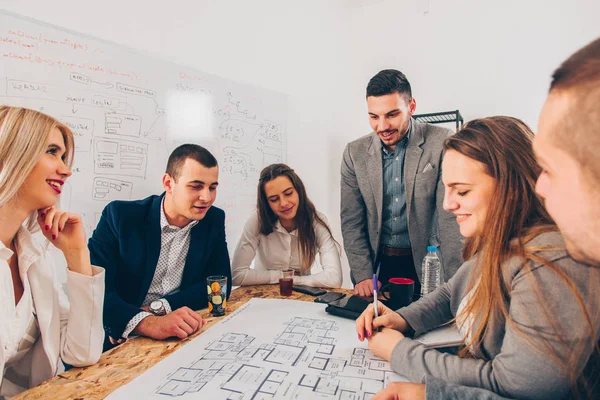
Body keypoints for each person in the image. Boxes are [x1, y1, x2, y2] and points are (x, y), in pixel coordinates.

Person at [356, 116, 600, 399]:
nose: (448, 204)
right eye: (446, 189)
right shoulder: (502, 239)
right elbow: (453, 292)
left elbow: (518, 385)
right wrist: (403, 319)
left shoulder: (552, 262)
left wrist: (401, 353)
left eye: (462, 191)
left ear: (510, 186)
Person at [0, 106, 105, 397]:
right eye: (51, 151)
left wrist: (77, 254)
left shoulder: (32, 255)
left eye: (63, 156)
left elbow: (82, 352)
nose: (66, 170)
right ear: (9, 153)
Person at [89, 144, 231, 350]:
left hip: (178, 334)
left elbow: (219, 283)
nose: (206, 197)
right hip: (116, 340)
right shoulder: (120, 216)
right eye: (196, 186)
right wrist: (146, 322)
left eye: (212, 187)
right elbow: (95, 291)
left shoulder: (213, 219)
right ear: (168, 183)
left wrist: (158, 309)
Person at [341, 69, 462, 297]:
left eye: (392, 115)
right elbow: (351, 221)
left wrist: (455, 283)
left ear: (412, 107)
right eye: (374, 117)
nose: (382, 126)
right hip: (379, 266)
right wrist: (363, 274)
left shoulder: (441, 142)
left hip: (428, 264)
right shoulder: (353, 153)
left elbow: (450, 219)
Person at [232, 163, 342, 288]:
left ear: (298, 191)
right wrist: (281, 277)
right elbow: (237, 276)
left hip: (302, 293)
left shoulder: (316, 221)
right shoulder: (257, 220)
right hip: (262, 295)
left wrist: (293, 280)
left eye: (288, 193)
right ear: (266, 203)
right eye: (274, 199)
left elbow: (334, 278)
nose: (283, 203)